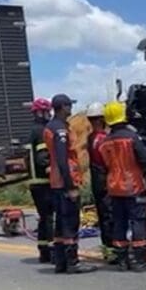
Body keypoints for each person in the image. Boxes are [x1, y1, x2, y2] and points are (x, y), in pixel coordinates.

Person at [98, 100, 146, 273]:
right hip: (133, 186)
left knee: (119, 222)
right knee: (138, 221)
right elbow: (145, 159)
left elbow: (104, 166)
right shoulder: (132, 137)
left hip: (114, 188)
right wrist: (145, 171)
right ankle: (140, 261)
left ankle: (122, 261)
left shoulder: (104, 142)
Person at [44, 93, 97, 275]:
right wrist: (70, 187)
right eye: (69, 105)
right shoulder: (60, 130)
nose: (71, 109)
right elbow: (62, 159)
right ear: (62, 107)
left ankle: (61, 263)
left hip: (56, 183)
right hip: (65, 183)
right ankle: (72, 262)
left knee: (60, 224)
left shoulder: (53, 126)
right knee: (70, 223)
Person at [86, 101, 116, 262]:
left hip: (97, 183)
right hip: (106, 182)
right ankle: (114, 251)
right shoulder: (104, 139)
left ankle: (108, 249)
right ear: (101, 119)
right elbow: (108, 162)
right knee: (110, 216)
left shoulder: (90, 138)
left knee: (103, 216)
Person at [28, 97, 54, 263]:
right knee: (49, 217)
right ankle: (51, 251)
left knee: (44, 217)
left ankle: (44, 251)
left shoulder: (32, 130)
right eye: (47, 112)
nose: (49, 114)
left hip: (35, 182)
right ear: (40, 112)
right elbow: (42, 158)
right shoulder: (42, 131)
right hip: (43, 182)